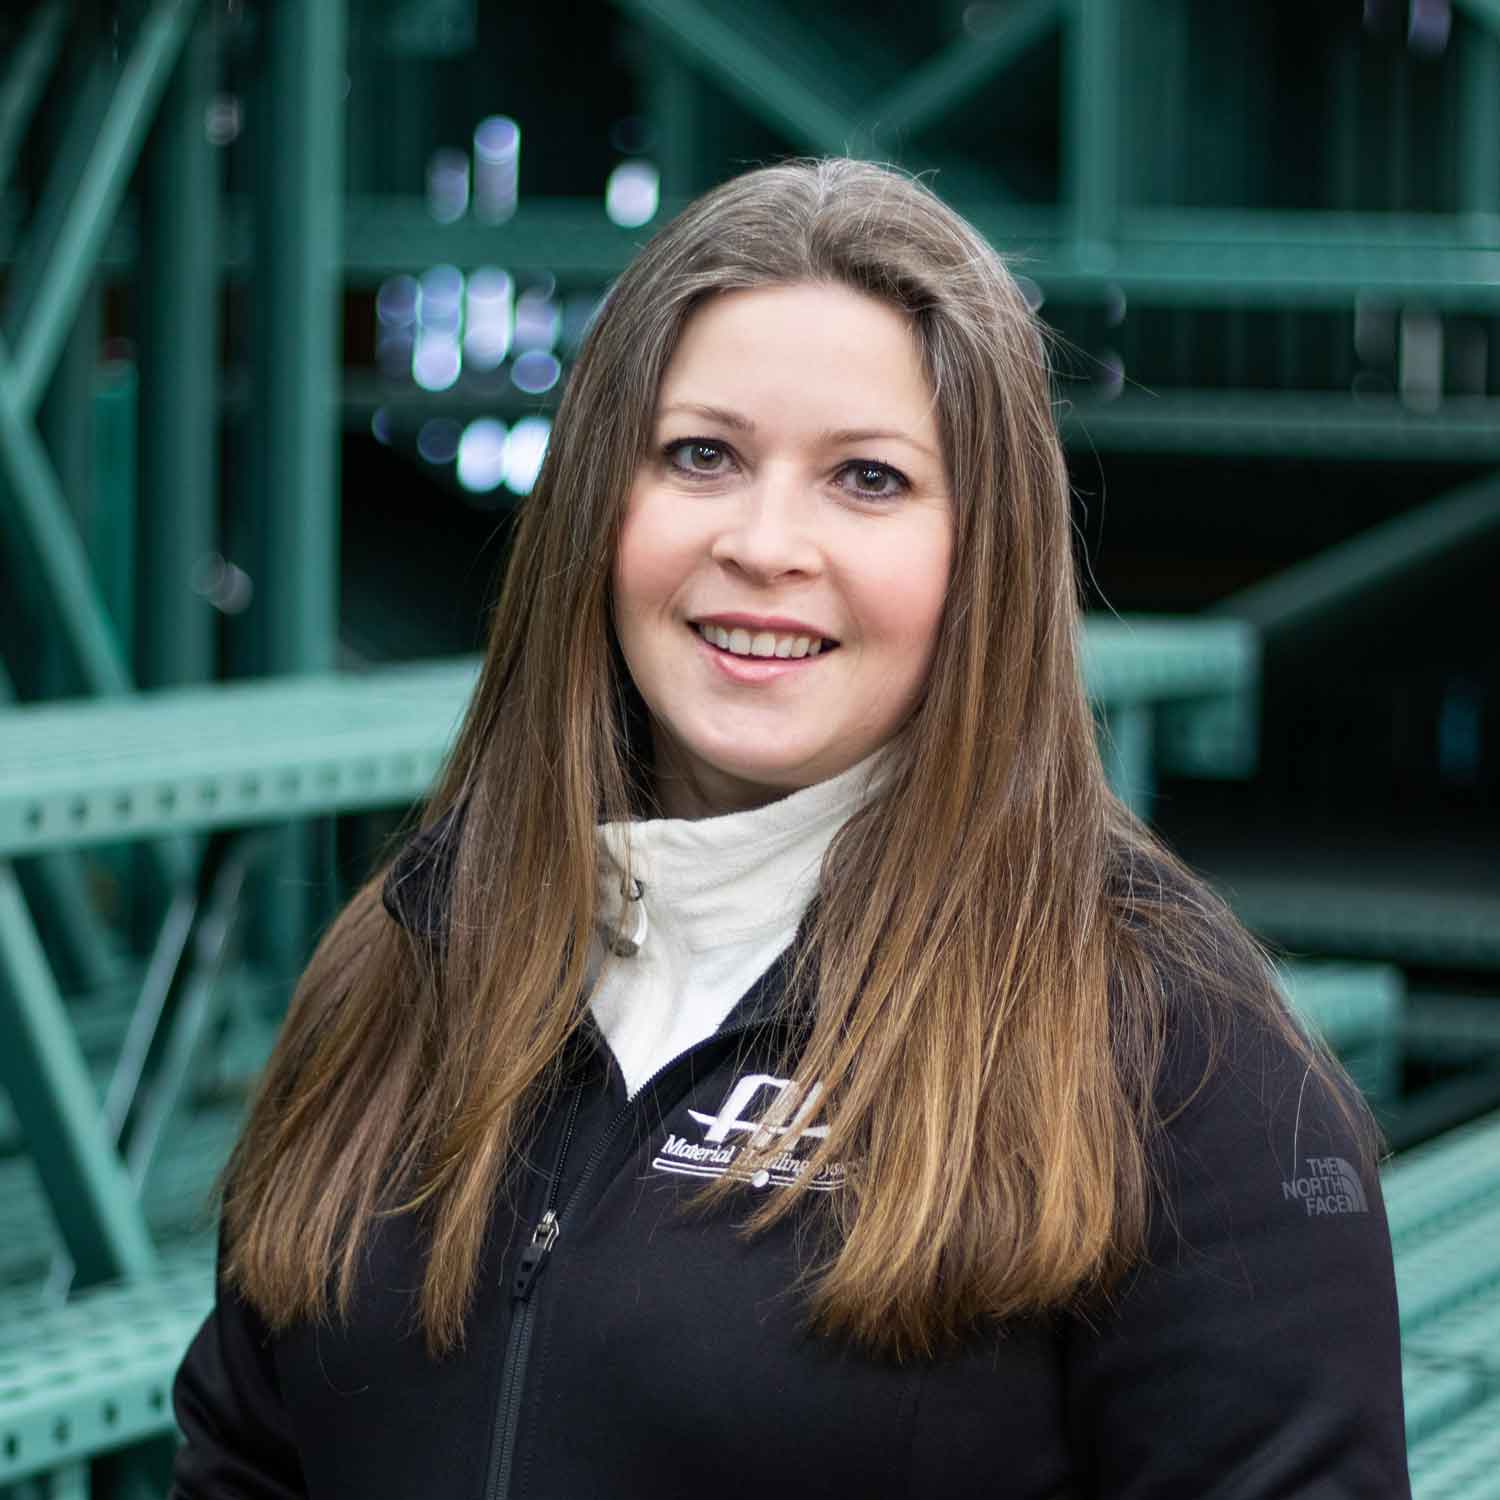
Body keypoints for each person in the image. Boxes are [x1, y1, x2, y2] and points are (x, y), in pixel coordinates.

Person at [171, 158, 1410, 1498]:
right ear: (601, 503)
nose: (767, 544)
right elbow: (246, 1458)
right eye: (702, 456)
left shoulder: (1176, 1053)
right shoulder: (405, 954)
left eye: (867, 481)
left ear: (979, 553)